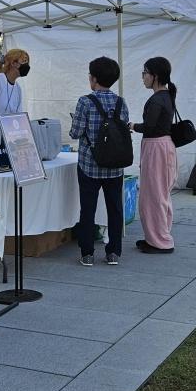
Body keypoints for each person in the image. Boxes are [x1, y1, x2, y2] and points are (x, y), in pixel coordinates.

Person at [69, 57, 129, 266]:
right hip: (115, 166)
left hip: (89, 165)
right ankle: (114, 253)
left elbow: (75, 133)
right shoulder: (121, 102)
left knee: (88, 209)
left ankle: (87, 253)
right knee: (115, 209)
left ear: (93, 78)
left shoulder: (85, 101)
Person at [133, 57, 178, 255]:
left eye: (145, 73)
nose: (143, 77)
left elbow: (149, 126)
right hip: (162, 146)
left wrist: (132, 126)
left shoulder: (157, 99)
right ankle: (156, 236)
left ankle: (160, 240)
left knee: (154, 195)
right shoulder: (166, 96)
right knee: (159, 194)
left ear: (155, 76)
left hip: (156, 147)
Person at [0, 48, 30, 120]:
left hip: (2, 130)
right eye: (24, 61)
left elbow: (18, 115)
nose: (27, 65)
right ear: (13, 63)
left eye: (27, 62)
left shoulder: (18, 88)